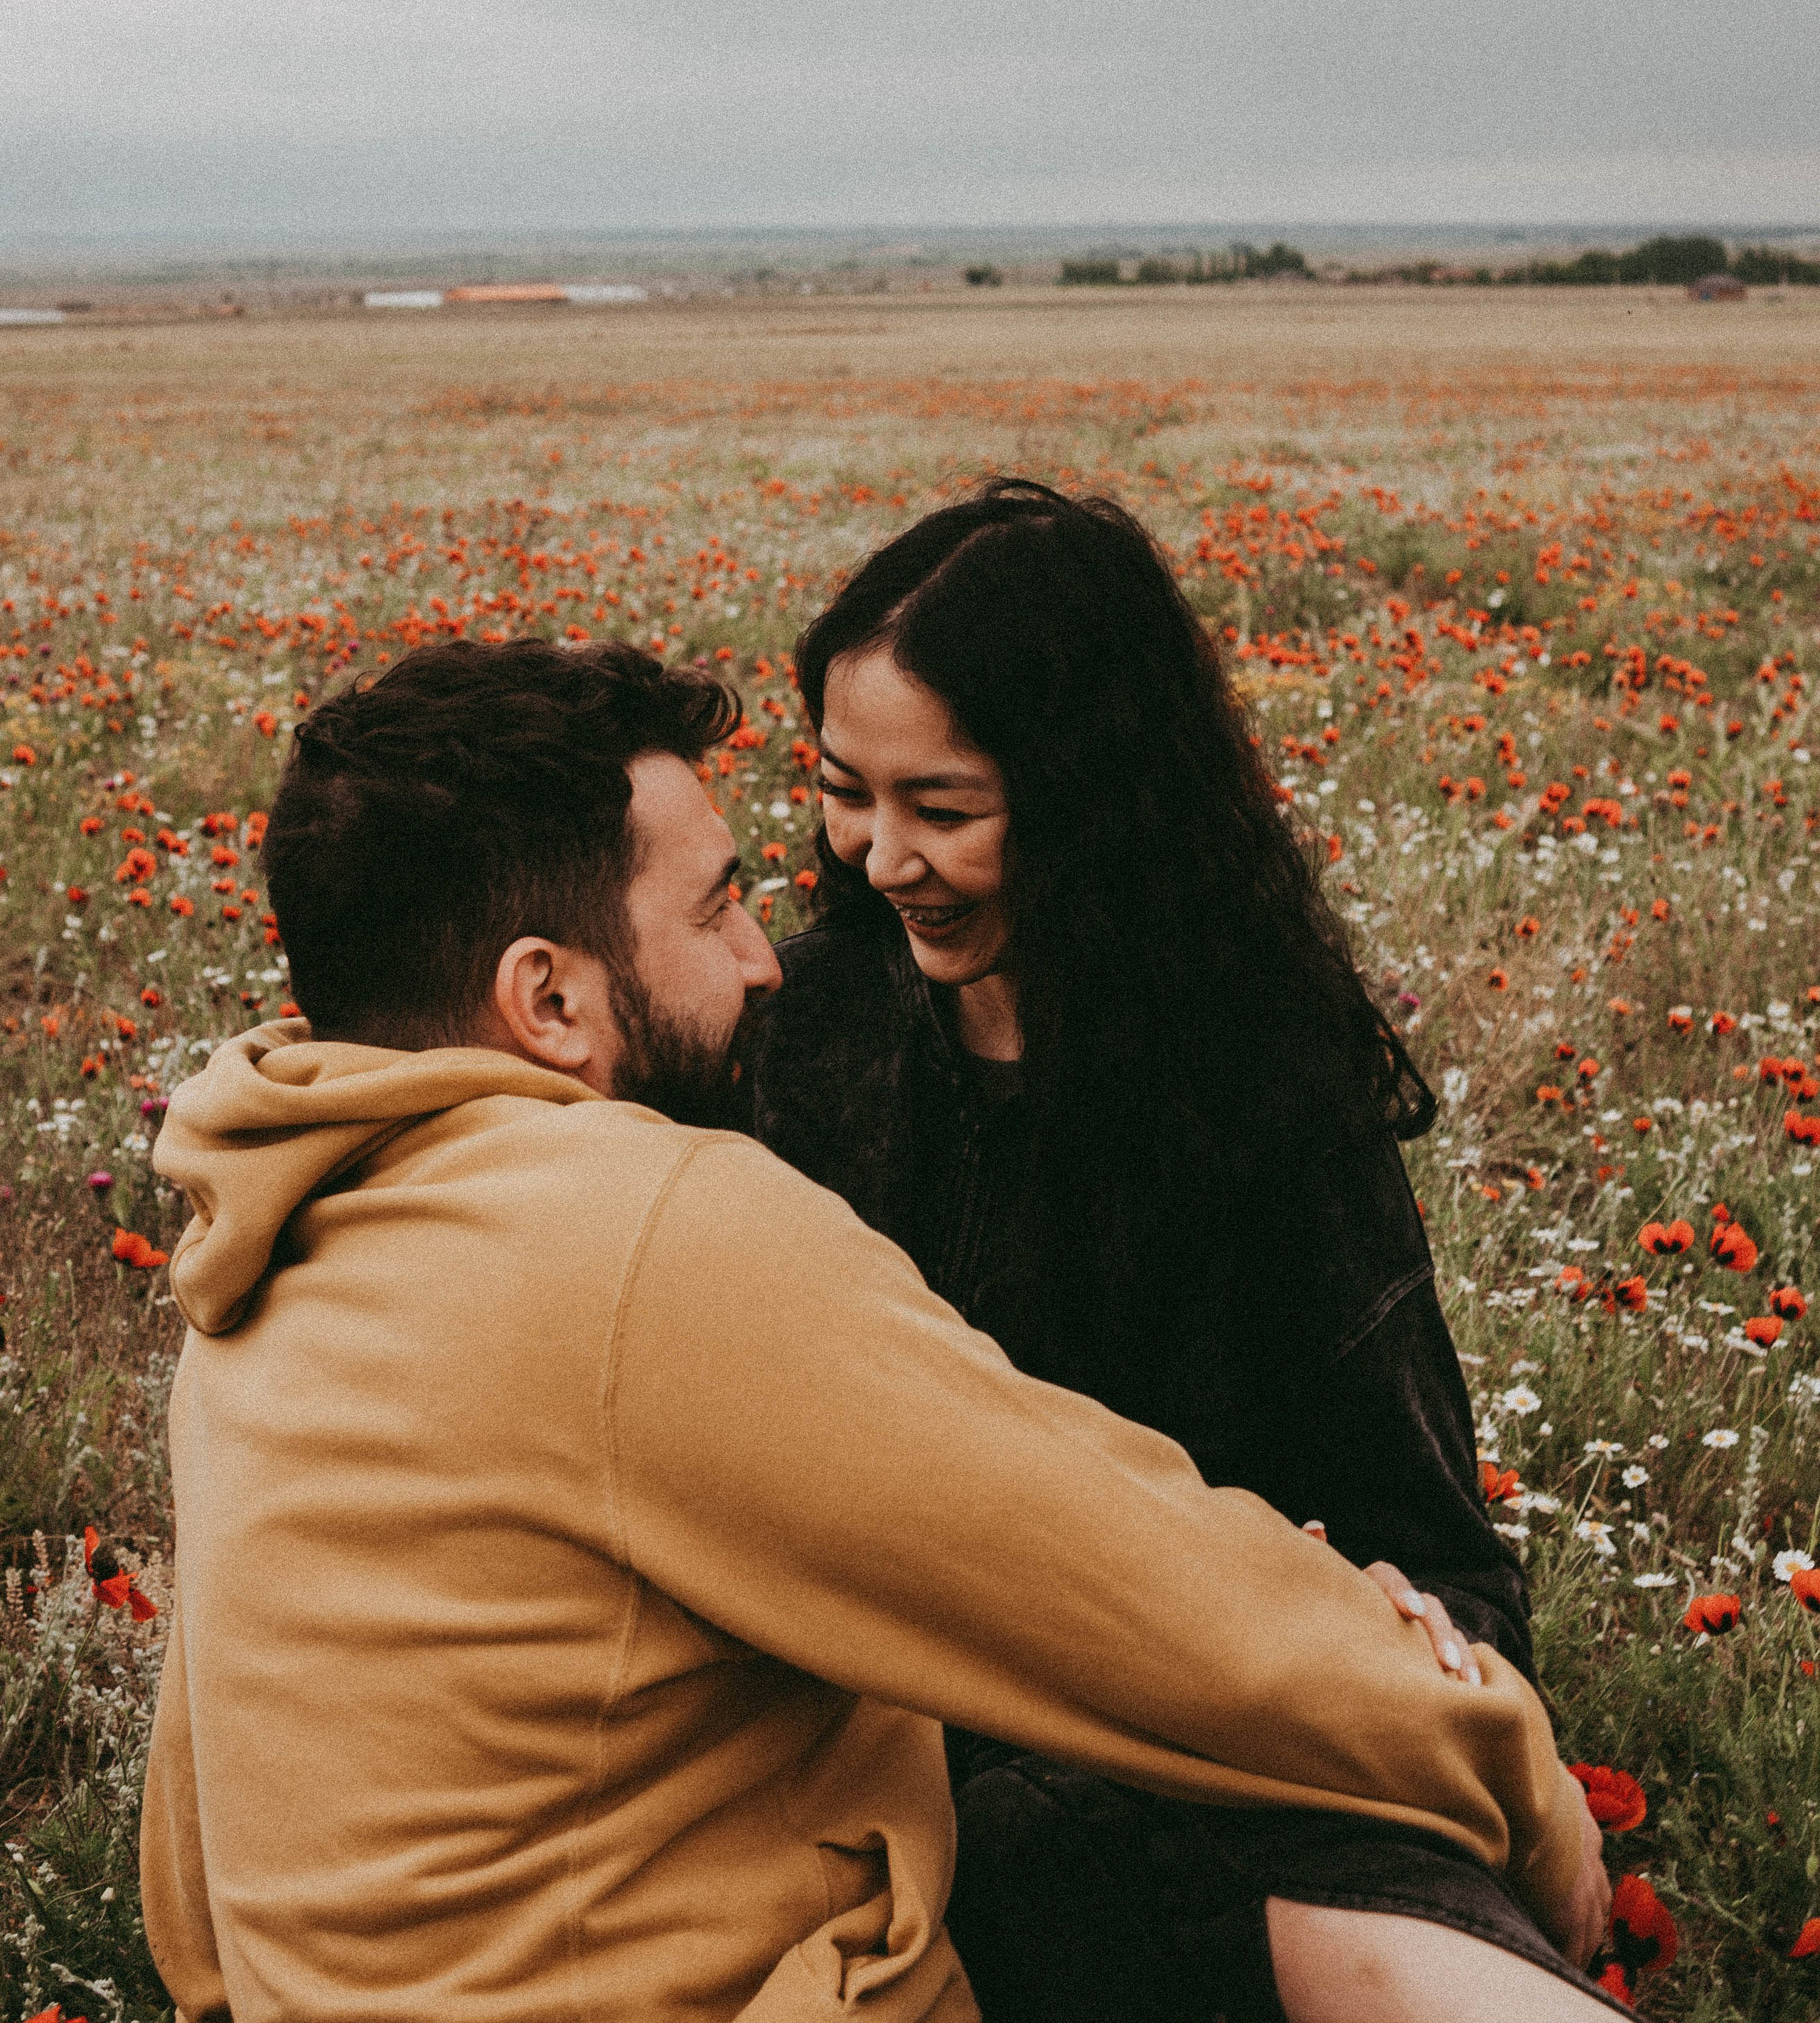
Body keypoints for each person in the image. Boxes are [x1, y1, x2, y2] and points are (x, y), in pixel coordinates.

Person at [141, 635, 1603, 2023]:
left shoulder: (262, 1267)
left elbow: (195, 1901)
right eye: (713, 908)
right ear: (550, 998)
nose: (766, 959)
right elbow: (1143, 1603)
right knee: (1243, 1809)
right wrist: (1517, 1788)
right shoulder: (646, 1235)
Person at [747, 480, 1620, 2019]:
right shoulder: (798, 1032)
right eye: (841, 791)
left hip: (1205, 1743)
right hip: (875, 1745)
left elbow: (1437, 1557)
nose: (879, 859)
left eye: (942, 809)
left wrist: (1404, 1632)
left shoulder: (1249, 1084)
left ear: (1088, 797)